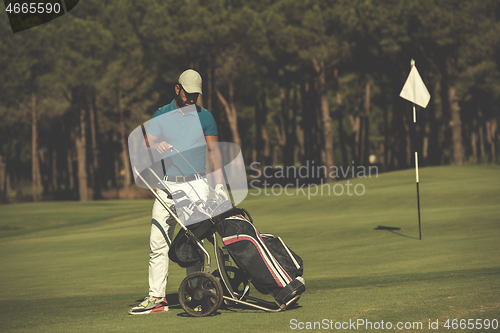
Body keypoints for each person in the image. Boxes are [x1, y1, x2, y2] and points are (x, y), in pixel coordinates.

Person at [129, 69, 227, 315]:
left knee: (193, 244)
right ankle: (157, 299)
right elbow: (145, 144)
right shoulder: (161, 114)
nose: (192, 99)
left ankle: (196, 294)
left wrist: (219, 186)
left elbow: (214, 153)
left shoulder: (206, 117)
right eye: (188, 94)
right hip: (166, 187)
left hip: (196, 186)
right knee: (157, 242)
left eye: (196, 94)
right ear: (177, 89)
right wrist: (157, 145)